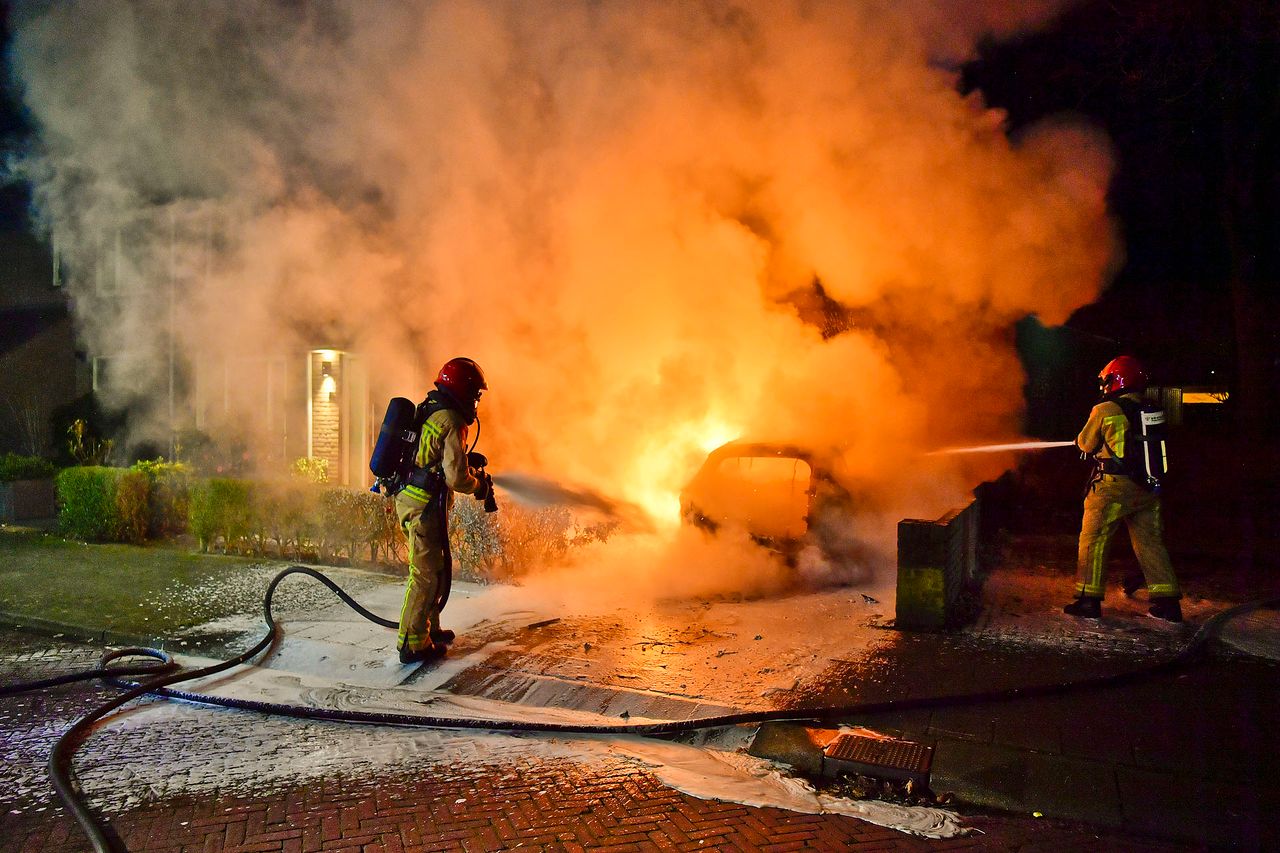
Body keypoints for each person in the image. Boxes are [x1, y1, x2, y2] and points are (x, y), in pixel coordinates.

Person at [1065, 355, 1183, 623]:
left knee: (1094, 540)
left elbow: (1085, 444)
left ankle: (1088, 600)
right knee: (1151, 543)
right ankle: (1169, 604)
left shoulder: (1104, 410)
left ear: (1115, 380)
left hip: (1112, 488)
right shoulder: (1152, 407)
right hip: (1148, 488)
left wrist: (1079, 441)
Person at [395, 357, 493, 664]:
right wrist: (479, 486)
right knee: (425, 575)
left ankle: (429, 630)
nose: (476, 401)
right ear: (462, 391)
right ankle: (412, 645)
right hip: (422, 506)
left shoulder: (433, 410)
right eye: (474, 394)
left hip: (416, 500)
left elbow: (434, 456)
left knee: (435, 570)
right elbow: (457, 479)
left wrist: (464, 459)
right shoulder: (453, 421)